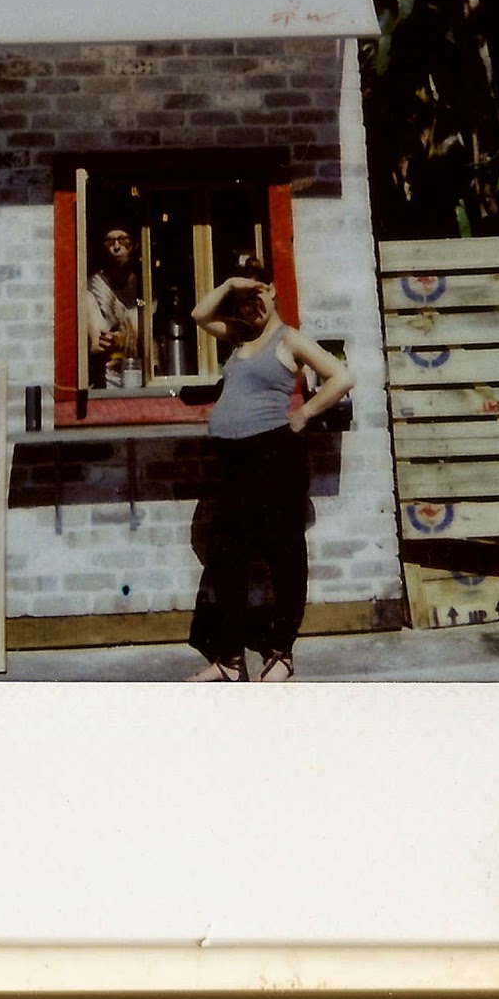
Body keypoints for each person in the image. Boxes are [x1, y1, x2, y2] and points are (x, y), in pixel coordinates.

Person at [185, 256, 354, 684]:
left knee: (285, 555)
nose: (250, 307)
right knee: (228, 555)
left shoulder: (288, 338)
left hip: (274, 457)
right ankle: (230, 659)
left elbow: (341, 377)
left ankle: (282, 653)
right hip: (236, 462)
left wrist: (304, 414)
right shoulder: (240, 335)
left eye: (256, 295)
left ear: (273, 290)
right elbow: (199, 315)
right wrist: (231, 283)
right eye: (243, 301)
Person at [83, 224, 141, 386]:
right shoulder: (93, 288)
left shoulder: (146, 285)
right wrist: (103, 344)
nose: (116, 247)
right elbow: (96, 343)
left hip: (144, 375)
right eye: (110, 241)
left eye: (123, 240)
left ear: (135, 244)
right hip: (110, 382)